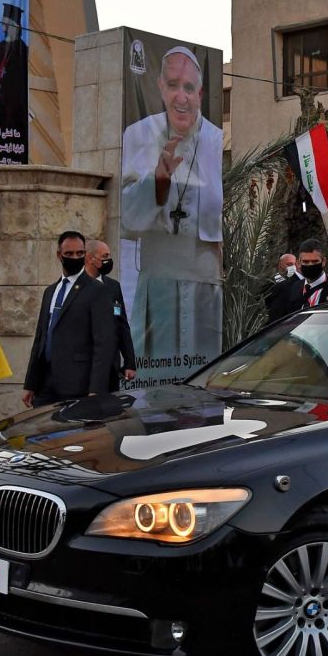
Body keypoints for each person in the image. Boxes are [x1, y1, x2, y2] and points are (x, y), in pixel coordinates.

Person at [120, 47, 223, 365]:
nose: (182, 97)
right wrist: (157, 183)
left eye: (189, 88)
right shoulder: (138, 134)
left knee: (201, 369)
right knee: (155, 369)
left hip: (203, 276)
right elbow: (125, 216)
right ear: (160, 86)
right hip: (160, 274)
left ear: (200, 94)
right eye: (174, 85)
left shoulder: (217, 140)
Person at [22, 231, 116, 406]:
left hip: (78, 386)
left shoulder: (97, 290)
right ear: (59, 255)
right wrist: (30, 384)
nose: (75, 257)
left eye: (80, 253)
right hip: (46, 384)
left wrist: (96, 389)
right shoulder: (50, 292)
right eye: (69, 254)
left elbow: (103, 344)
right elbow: (40, 339)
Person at [83, 239, 136, 391]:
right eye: (104, 256)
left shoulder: (113, 287)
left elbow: (121, 325)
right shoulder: (77, 287)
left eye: (109, 256)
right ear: (90, 258)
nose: (108, 260)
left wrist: (129, 363)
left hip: (110, 368)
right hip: (85, 367)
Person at [0, 2, 29, 163]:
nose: (2, 27)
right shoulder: (1, 47)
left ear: (13, 25)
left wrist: (1, 86)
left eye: (5, 23)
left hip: (15, 111)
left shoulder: (22, 51)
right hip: (1, 107)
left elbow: (17, 84)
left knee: (13, 147)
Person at [271, 239, 328, 318]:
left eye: (315, 262)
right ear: (298, 263)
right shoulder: (290, 289)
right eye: (306, 262)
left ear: (323, 262)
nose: (310, 265)